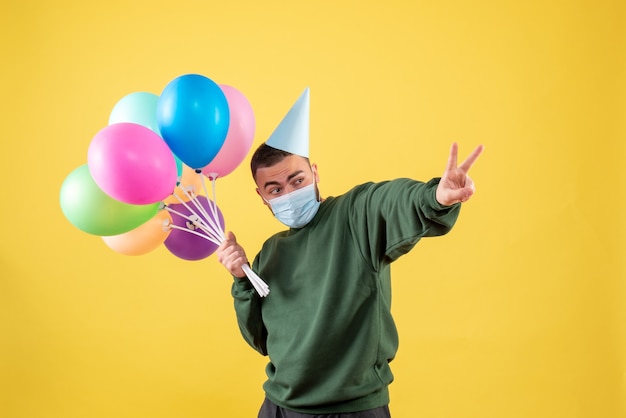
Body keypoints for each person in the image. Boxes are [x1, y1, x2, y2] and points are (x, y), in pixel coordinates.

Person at [217, 89, 484, 417]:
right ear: (262, 197)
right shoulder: (270, 253)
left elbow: (389, 201)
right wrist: (242, 280)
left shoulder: (355, 216)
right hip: (279, 408)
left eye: (296, 179)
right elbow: (261, 340)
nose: (288, 193)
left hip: (353, 409)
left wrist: (434, 198)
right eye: (276, 189)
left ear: (314, 174)